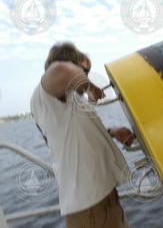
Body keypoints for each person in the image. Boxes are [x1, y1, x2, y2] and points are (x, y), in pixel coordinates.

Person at [30, 42, 135, 228]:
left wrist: (112, 132)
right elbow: (62, 70)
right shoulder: (45, 95)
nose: (84, 76)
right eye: (83, 71)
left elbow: (73, 134)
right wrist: (91, 87)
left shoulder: (70, 98)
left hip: (104, 198)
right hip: (89, 207)